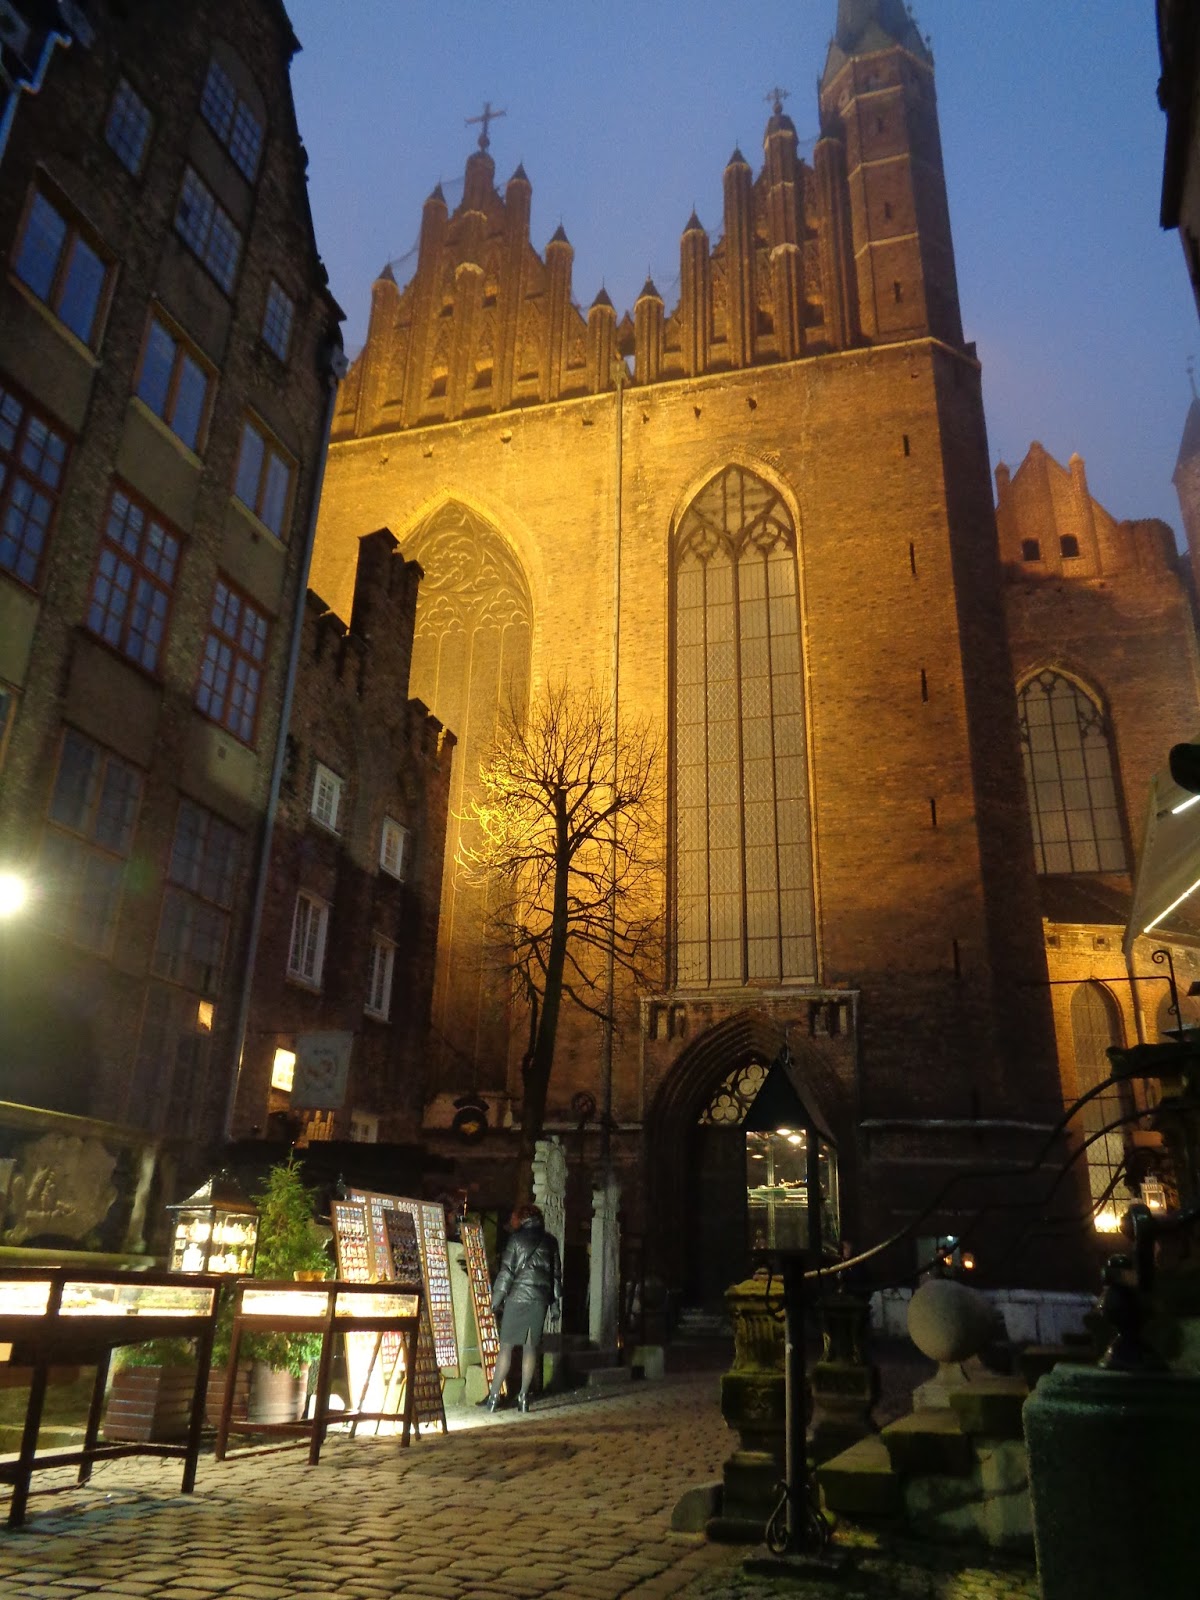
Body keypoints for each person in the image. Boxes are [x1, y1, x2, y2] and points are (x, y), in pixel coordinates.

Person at [484, 1202, 562, 1413]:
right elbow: (555, 1275)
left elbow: (506, 1272)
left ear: (521, 1219)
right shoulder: (550, 1241)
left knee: (506, 1348)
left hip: (517, 1298)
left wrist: (496, 1299)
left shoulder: (516, 1240)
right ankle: (524, 1397)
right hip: (539, 1301)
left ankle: (493, 1397)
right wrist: (555, 1305)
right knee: (530, 1349)